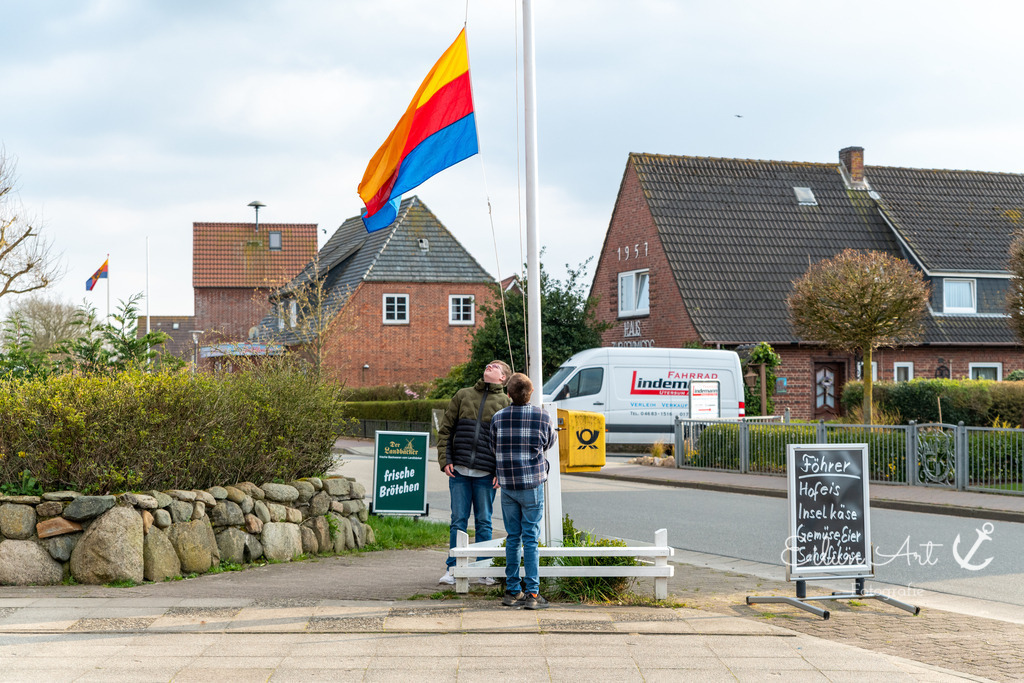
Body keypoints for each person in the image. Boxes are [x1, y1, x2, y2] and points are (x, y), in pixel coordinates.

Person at [436, 359, 512, 586]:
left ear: (503, 378)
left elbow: (506, 442)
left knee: (484, 522)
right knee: (458, 521)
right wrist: (445, 460)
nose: (490, 366)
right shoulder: (463, 395)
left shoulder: (506, 403)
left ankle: (484, 569)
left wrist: (501, 471)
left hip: (486, 474)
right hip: (458, 471)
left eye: (496, 366)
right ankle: (453, 569)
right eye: (488, 364)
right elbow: (446, 430)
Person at [490, 372, 557, 610]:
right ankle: (533, 593)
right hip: (532, 484)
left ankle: (512, 590)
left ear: (508, 394)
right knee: (530, 539)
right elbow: (549, 442)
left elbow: (493, 446)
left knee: (512, 538)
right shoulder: (543, 416)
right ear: (531, 393)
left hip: (508, 485)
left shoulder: (498, 418)